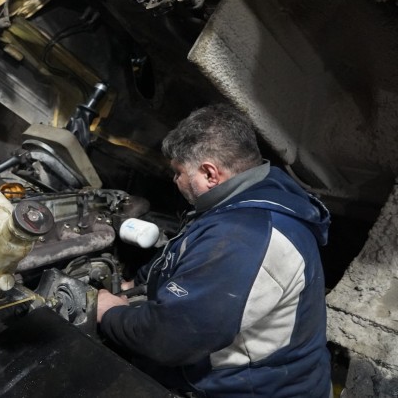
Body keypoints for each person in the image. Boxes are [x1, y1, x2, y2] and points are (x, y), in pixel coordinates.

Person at [96, 104, 331, 397]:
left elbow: (170, 339)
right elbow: (187, 251)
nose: (175, 181)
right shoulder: (254, 192)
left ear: (210, 173)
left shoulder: (245, 238)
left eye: (179, 172)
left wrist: (109, 313)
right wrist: (137, 285)